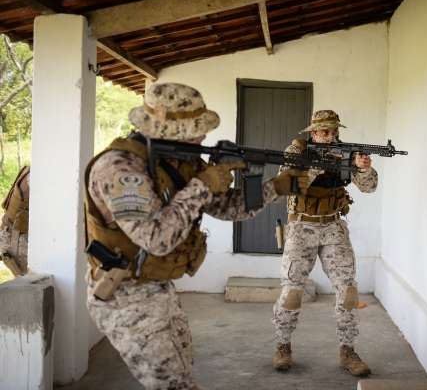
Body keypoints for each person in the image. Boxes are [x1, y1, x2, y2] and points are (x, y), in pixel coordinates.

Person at [84, 82, 308, 390]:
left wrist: (277, 186)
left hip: (158, 288)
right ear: (167, 129)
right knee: (174, 385)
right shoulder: (120, 169)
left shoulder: (180, 162)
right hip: (125, 295)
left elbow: (228, 208)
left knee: (183, 370)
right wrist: (202, 184)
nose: (203, 135)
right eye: (195, 127)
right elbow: (156, 239)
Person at [272, 110, 378, 376]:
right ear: (313, 132)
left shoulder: (345, 153)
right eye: (324, 132)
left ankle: (347, 351)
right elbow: (285, 183)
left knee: (348, 291)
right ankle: (283, 346)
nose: (330, 137)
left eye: (334, 131)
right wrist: (319, 164)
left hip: (332, 225)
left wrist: (364, 169)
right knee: (292, 292)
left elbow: (369, 187)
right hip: (301, 226)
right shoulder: (296, 151)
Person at [0, 165, 30, 277]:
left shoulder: (28, 171)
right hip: (15, 242)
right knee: (28, 284)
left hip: (10, 237)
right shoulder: (35, 178)